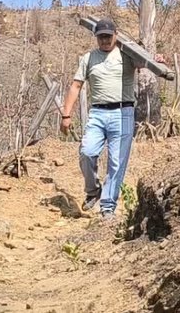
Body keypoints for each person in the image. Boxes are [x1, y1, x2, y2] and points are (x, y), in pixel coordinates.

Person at [60, 18, 162, 220]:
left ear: (116, 35)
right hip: (97, 113)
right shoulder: (89, 58)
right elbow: (76, 86)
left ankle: (108, 207)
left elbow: (147, 62)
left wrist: (157, 59)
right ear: (96, 37)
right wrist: (66, 114)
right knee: (87, 152)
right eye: (101, 37)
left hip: (123, 112)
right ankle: (93, 190)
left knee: (117, 161)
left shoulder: (127, 55)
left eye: (108, 36)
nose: (105, 40)